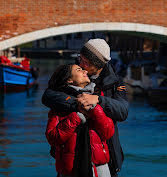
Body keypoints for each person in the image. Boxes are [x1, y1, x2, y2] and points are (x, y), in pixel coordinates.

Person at [43, 39, 128, 177]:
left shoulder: (117, 84)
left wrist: (99, 100)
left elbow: (123, 110)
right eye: (80, 59)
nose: (81, 65)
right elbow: (48, 96)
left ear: (98, 65)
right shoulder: (71, 74)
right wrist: (78, 104)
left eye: (86, 63)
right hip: (69, 159)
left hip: (104, 158)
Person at [45, 64, 115, 177]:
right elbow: (53, 138)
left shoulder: (97, 97)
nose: (85, 71)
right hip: (70, 171)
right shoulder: (59, 103)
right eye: (79, 70)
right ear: (69, 80)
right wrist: (77, 117)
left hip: (99, 169)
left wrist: (94, 109)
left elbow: (108, 132)